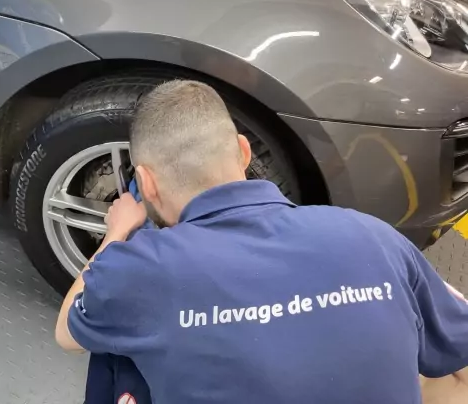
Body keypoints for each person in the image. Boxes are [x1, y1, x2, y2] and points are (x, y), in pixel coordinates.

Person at [55, 80, 468, 404]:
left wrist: (116, 232)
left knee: (114, 346)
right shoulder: (375, 237)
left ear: (144, 182)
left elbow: (67, 332)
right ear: (243, 150)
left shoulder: (139, 271)